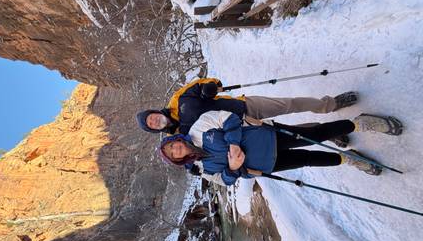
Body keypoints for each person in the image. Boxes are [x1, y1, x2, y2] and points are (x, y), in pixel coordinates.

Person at [159, 111, 403, 186]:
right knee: (309, 159)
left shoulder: (200, 128)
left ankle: (358, 123)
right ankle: (349, 160)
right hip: (265, 166)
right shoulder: (201, 169)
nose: (176, 150)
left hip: (268, 137)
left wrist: (233, 142)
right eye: (173, 155)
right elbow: (224, 180)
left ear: (176, 140)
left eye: (173, 146)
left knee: (315, 135)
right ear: (178, 160)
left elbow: (228, 117)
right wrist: (233, 168)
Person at [136, 77, 358, 137]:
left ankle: (330, 104)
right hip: (244, 132)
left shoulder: (178, 100)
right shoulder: (180, 136)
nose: (155, 121)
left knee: (289, 104)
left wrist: (210, 88)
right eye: (152, 125)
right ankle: (328, 132)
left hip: (243, 107)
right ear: (155, 130)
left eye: (151, 117)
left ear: (155, 111)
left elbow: (205, 83)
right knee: (293, 133)